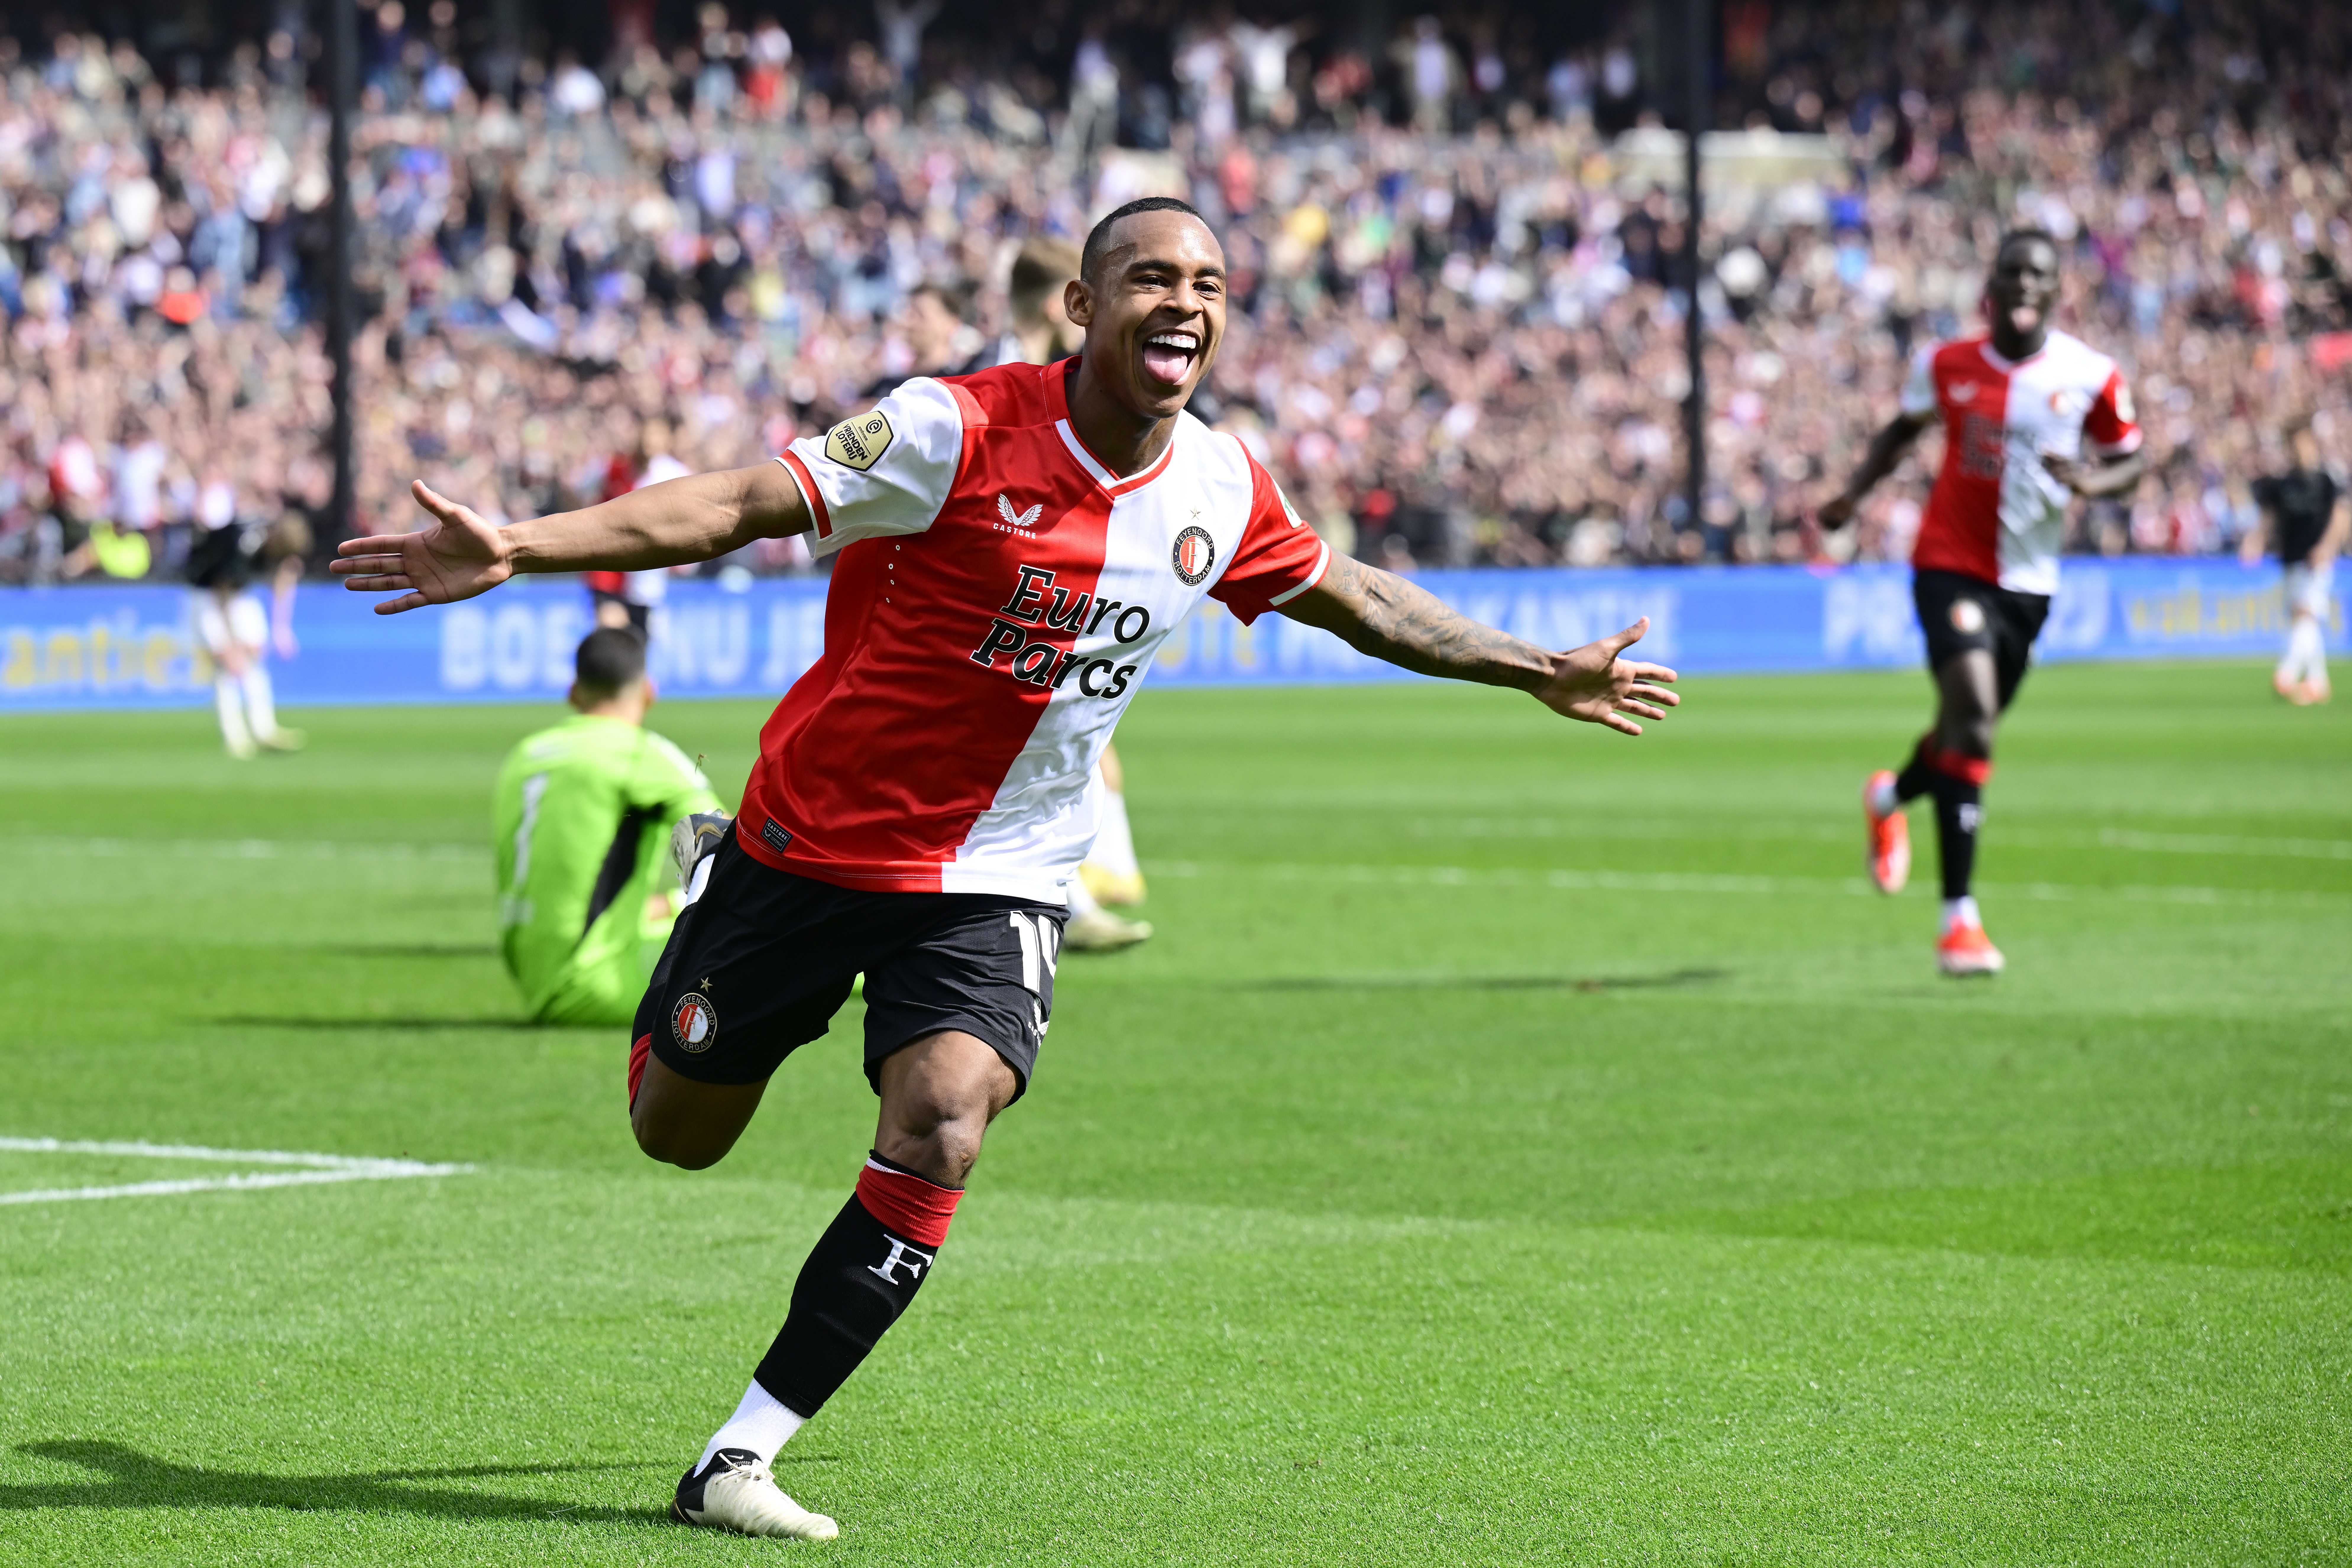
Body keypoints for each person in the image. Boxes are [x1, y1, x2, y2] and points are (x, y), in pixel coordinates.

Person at [334, 196, 1681, 1541]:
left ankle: (738, 1452)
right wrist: (524, 541)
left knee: (946, 1115)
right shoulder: (951, 426)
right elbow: (743, 500)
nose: (1186, 302)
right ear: (1082, 309)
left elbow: (1362, 595)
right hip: (811, 838)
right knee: (677, 1134)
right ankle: (706, 901)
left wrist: (1533, 666)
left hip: (1002, 871)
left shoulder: (1220, 485)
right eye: (1151, 277)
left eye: (1207, 282)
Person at [1819, 228, 2144, 976]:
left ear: (2055, 290)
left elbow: (2130, 460)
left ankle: (1890, 795)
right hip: (1947, 566)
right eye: (2013, 272)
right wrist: (1851, 495)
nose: (2025, 285)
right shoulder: (1945, 363)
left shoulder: (2089, 375)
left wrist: (2091, 485)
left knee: (1964, 735)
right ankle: (1957, 921)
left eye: (2039, 274)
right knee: (1972, 718)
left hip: (2028, 585)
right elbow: (1901, 433)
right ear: (1990, 287)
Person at [992, 236, 1153, 951]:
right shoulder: (1004, 377)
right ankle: (1074, 897)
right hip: (1009, 582)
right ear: (1067, 303)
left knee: (1080, 734)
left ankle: (1083, 892)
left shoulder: (1066, 378)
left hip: (1056, 577)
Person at [491, 629, 721, 1025]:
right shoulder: (638, 753)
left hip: (534, 977)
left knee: (670, 912)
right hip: (598, 984)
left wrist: (666, 904)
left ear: (573, 693)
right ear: (648, 692)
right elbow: (726, 848)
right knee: (782, 937)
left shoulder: (526, 755)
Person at [187, 499, 305, 759]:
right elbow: (223, 591)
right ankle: (236, 739)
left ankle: (265, 730)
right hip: (207, 595)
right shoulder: (244, 544)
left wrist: (281, 628)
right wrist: (229, 643)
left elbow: (285, 577)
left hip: (239, 594)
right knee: (228, 665)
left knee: (254, 658)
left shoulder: (276, 546)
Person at [2243, 421, 2348, 705]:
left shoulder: (2328, 479)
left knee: (2305, 615)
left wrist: (2327, 547)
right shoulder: (2283, 484)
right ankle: (2317, 681)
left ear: (2312, 444)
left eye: (2302, 444)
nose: (2298, 451)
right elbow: (2268, 518)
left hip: (2316, 561)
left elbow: (2341, 516)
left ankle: (2286, 674)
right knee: (2302, 621)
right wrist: (2255, 541)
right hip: (2290, 559)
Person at [584, 419, 691, 637]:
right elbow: (582, 488)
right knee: (611, 637)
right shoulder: (615, 467)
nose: (647, 444)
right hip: (609, 569)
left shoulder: (675, 474)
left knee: (637, 641)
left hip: (646, 577)